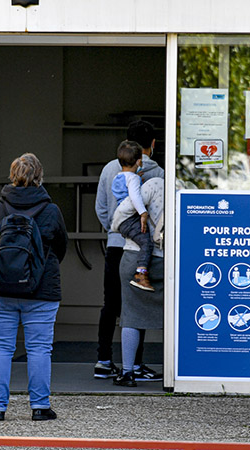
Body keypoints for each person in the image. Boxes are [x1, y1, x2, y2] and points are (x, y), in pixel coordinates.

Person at [0, 153, 68, 422]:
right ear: (40, 177)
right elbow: (61, 248)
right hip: (41, 291)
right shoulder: (51, 210)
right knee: (40, 348)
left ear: (12, 176)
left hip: (0, 289)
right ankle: (40, 407)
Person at [93, 119, 164, 381]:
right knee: (137, 306)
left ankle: (103, 359)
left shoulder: (109, 169)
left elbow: (101, 207)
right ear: (153, 144)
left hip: (115, 245)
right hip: (140, 248)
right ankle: (136, 364)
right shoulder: (157, 172)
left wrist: (116, 230)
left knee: (110, 303)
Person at [111, 177, 165, 387]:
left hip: (135, 258)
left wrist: (119, 226)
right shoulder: (181, 190)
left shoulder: (153, 183)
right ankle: (176, 371)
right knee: (171, 318)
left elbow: (121, 211)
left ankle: (127, 373)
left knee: (132, 316)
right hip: (166, 261)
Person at [111, 140, 155, 292]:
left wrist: (137, 177)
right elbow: (135, 197)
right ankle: (141, 274)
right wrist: (143, 213)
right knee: (146, 243)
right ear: (139, 161)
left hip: (121, 221)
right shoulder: (133, 179)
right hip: (130, 219)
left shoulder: (118, 177)